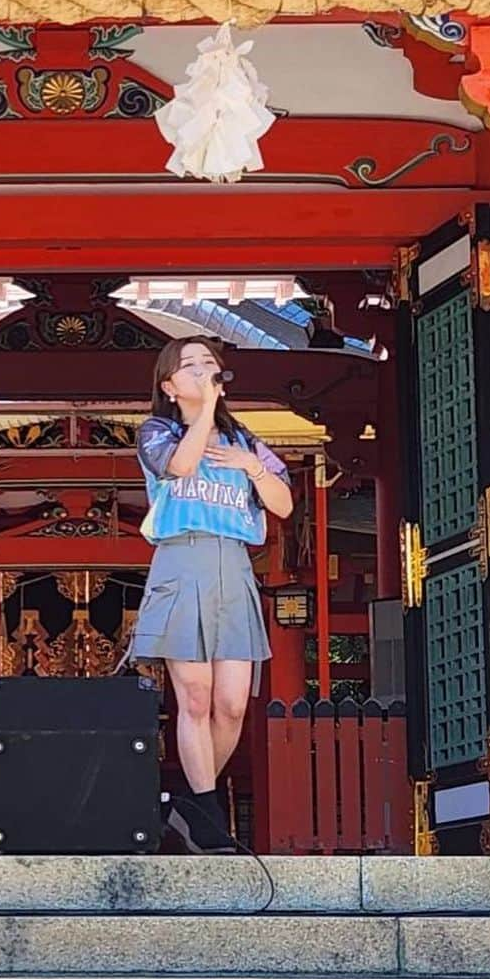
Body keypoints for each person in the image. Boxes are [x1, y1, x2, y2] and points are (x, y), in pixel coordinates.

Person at [132, 337, 294, 853]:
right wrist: (204, 411)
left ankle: (189, 804)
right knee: (195, 698)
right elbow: (178, 467)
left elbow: (284, 505)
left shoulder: (246, 441)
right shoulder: (158, 431)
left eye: (211, 364)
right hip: (182, 558)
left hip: (232, 562)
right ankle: (208, 816)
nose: (204, 372)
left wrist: (251, 467)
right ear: (169, 384)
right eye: (191, 366)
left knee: (230, 705)